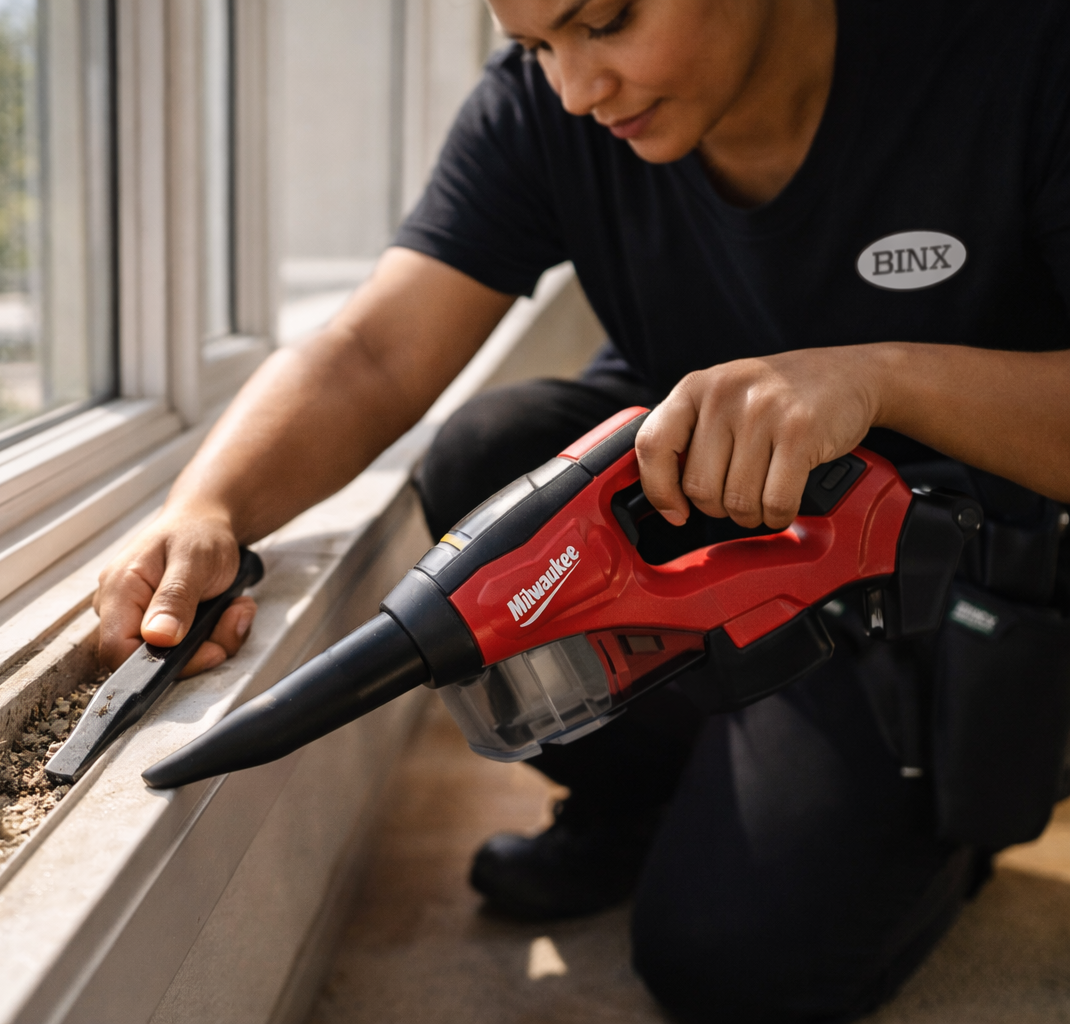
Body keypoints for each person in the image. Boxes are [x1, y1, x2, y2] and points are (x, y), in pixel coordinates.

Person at [95, 0, 1070, 1019]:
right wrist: (208, 505)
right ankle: (638, 797)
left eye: (605, 20)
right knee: (489, 467)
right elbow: (374, 351)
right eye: (534, 45)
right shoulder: (547, 109)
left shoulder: (1017, 53)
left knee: (736, 965)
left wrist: (879, 380)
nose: (574, 88)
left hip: (918, 587)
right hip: (706, 533)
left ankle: (979, 782)